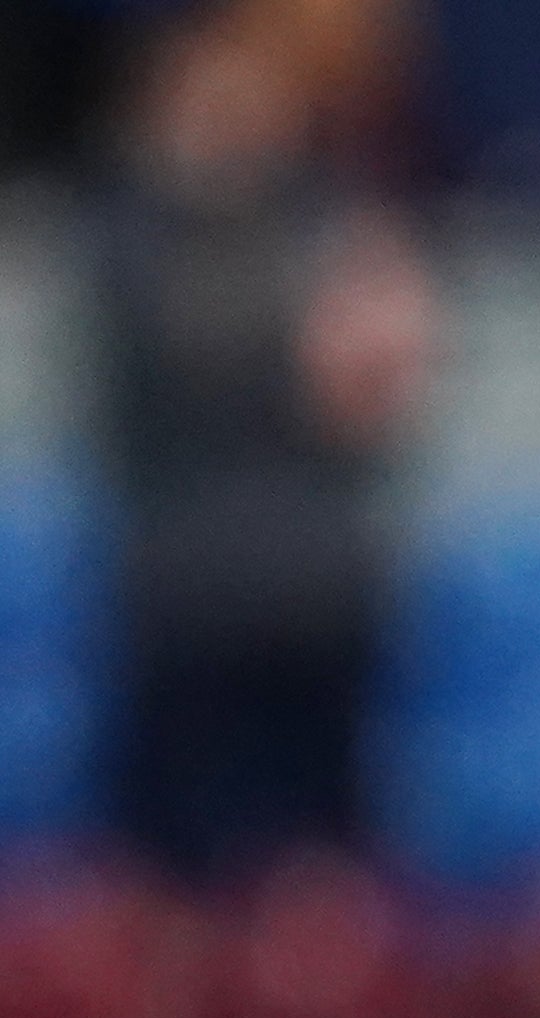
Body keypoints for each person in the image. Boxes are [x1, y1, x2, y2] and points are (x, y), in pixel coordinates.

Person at [87, 3, 432, 876]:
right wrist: (301, 331)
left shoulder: (336, 219)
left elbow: (377, 394)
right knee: (177, 874)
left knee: (323, 876)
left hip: (322, 601)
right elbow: (177, 347)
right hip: (185, 603)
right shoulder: (129, 229)